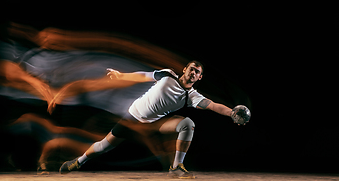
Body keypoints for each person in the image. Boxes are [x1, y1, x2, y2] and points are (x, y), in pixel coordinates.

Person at [59, 61, 247, 179]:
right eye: (191, 69)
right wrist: (121, 75)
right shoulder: (167, 75)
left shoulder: (192, 96)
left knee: (187, 124)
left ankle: (176, 167)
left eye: (197, 72)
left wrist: (232, 113)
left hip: (153, 125)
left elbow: (213, 105)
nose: (193, 73)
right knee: (102, 147)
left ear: (199, 77)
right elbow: (143, 75)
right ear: (185, 69)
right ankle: (78, 161)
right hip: (131, 119)